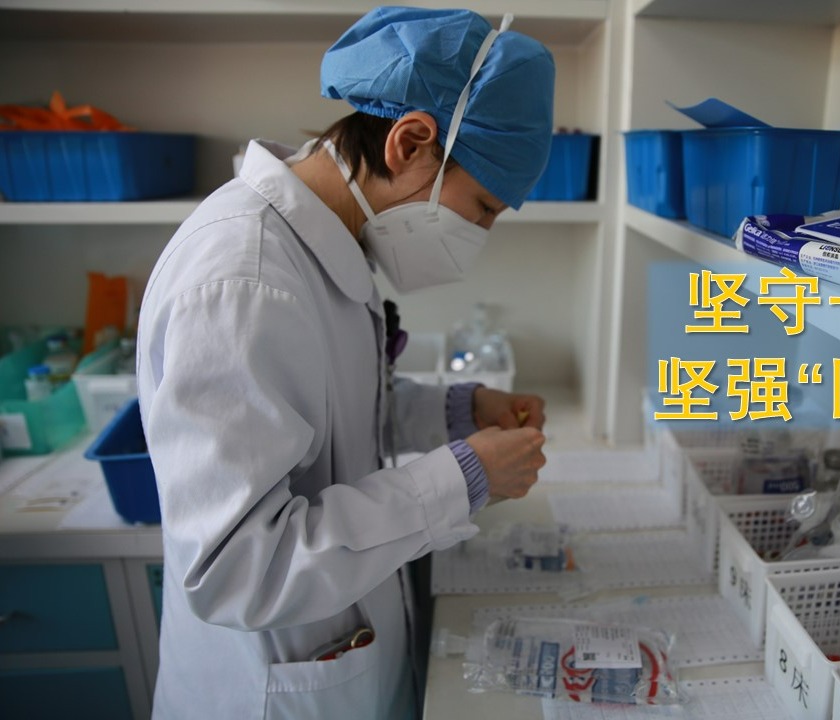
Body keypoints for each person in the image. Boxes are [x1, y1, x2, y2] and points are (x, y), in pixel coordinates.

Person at [135, 7, 555, 718]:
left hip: (342, 651)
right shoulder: (244, 279)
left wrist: (455, 410)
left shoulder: (326, 239)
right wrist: (462, 479)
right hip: (273, 690)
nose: (481, 231)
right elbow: (238, 569)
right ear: (410, 142)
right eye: (484, 206)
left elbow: (327, 418)